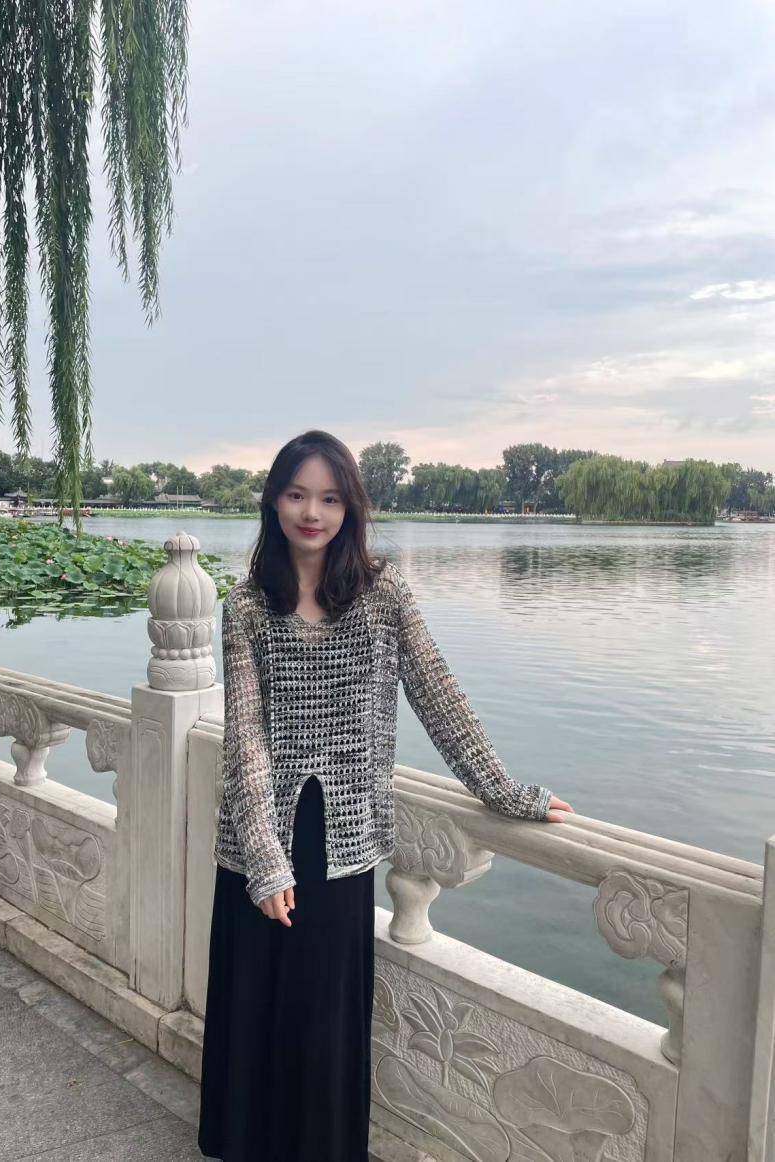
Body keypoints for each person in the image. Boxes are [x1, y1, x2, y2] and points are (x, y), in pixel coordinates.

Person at [196, 429, 574, 1162]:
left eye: (330, 498)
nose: (313, 513)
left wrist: (503, 790)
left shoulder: (382, 594)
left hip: (343, 835)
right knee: (256, 1002)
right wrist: (266, 860)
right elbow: (245, 736)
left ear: (351, 509)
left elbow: (437, 695)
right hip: (260, 838)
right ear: (274, 501)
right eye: (297, 495)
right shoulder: (246, 606)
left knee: (323, 1014)